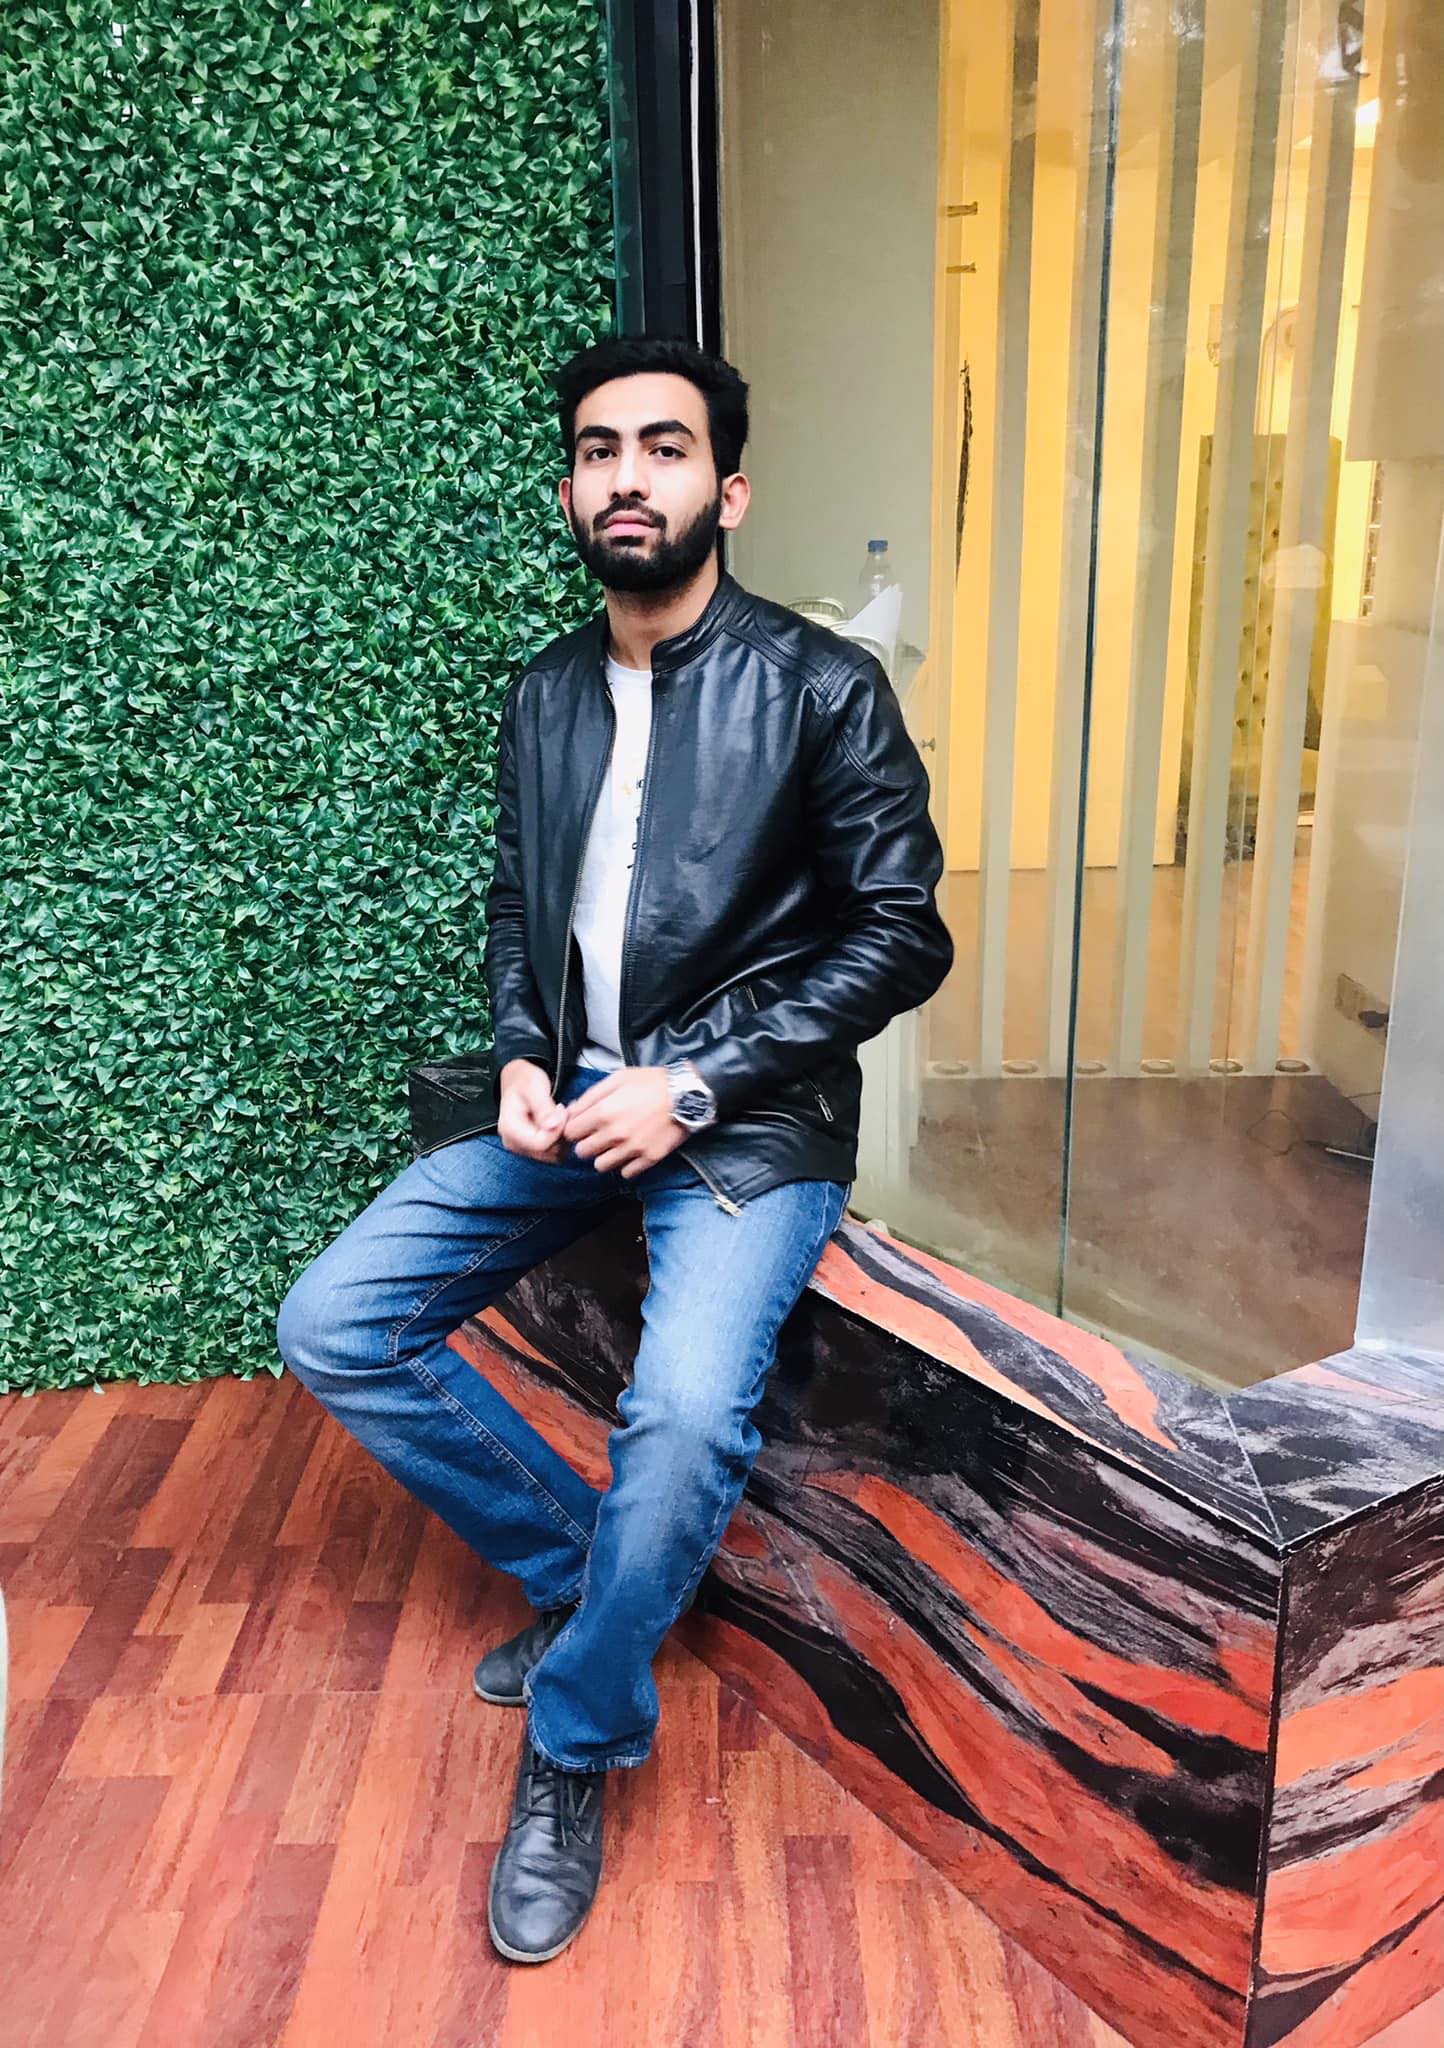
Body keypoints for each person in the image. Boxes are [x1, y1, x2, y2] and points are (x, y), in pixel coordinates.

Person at [274, 333, 953, 1965]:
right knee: (334, 1322)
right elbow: (525, 907)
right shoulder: (545, 693)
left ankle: (577, 1736)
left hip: (746, 1126)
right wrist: (523, 1048)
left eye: (663, 447)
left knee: (684, 1417)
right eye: (597, 450)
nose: (625, 476)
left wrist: (697, 1085)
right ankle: (598, 1584)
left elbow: (903, 935)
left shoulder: (821, 689)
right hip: (571, 1099)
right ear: (573, 489)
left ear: (730, 490)